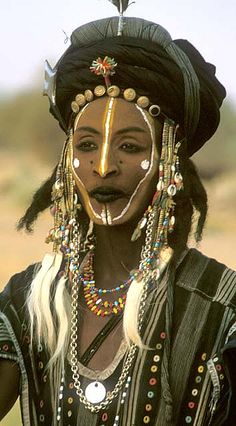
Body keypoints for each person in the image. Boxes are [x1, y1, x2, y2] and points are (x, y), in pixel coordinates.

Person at [0, 3, 236, 425]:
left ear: (167, 161)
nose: (104, 165)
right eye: (87, 145)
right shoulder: (29, 300)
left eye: (130, 146)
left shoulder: (219, 306)